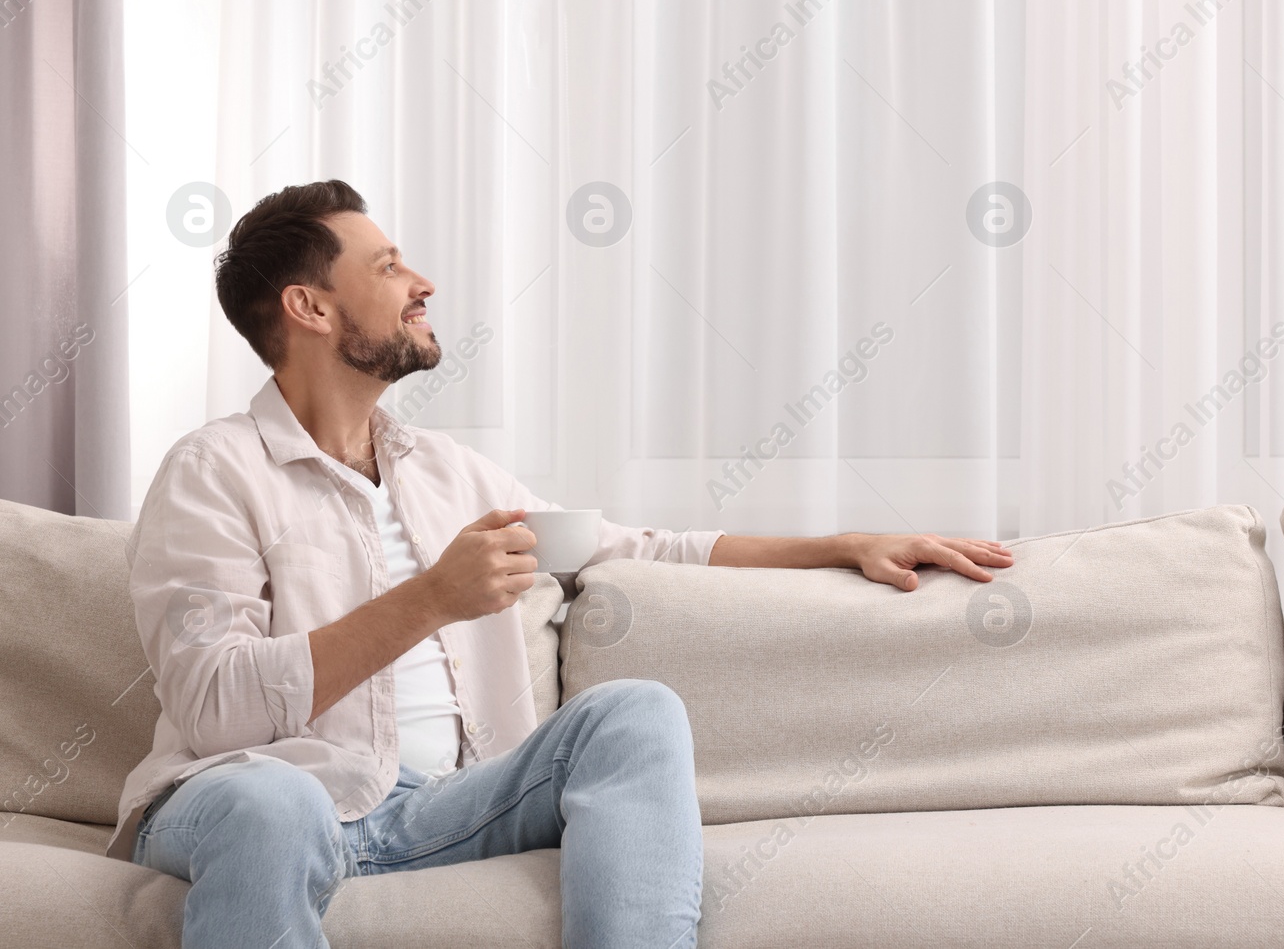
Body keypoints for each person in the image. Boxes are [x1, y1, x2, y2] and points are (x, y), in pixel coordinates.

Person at [110, 179, 1013, 948]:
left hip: (443, 806)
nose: (423, 283)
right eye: (387, 268)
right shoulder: (213, 469)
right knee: (276, 807)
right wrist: (431, 599)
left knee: (634, 713)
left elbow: (636, 547)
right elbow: (215, 706)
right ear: (310, 307)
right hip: (261, 798)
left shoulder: (449, 472)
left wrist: (843, 544)